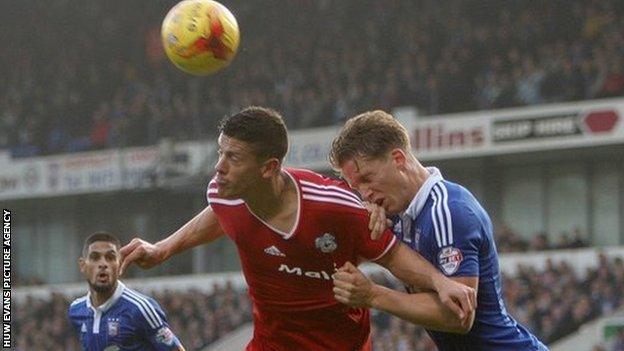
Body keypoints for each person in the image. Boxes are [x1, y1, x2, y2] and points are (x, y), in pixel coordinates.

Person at [119, 106, 476, 350]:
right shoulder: (224, 194)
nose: (218, 167)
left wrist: (440, 281)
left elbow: (395, 256)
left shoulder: (337, 207)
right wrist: (163, 248)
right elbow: (218, 214)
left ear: (268, 168)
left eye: (233, 157)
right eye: (220, 153)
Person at [329, 110, 548, 350]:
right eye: (356, 187)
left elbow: (459, 317)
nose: (364, 194)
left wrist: (372, 295)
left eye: (367, 179)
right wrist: (364, 224)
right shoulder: (399, 215)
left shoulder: (448, 211)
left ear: (398, 159)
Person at [68, 232, 185, 351]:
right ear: (82, 265)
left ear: (120, 264)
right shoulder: (76, 310)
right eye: (95, 257)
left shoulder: (140, 308)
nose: (103, 264)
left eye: (110, 258)